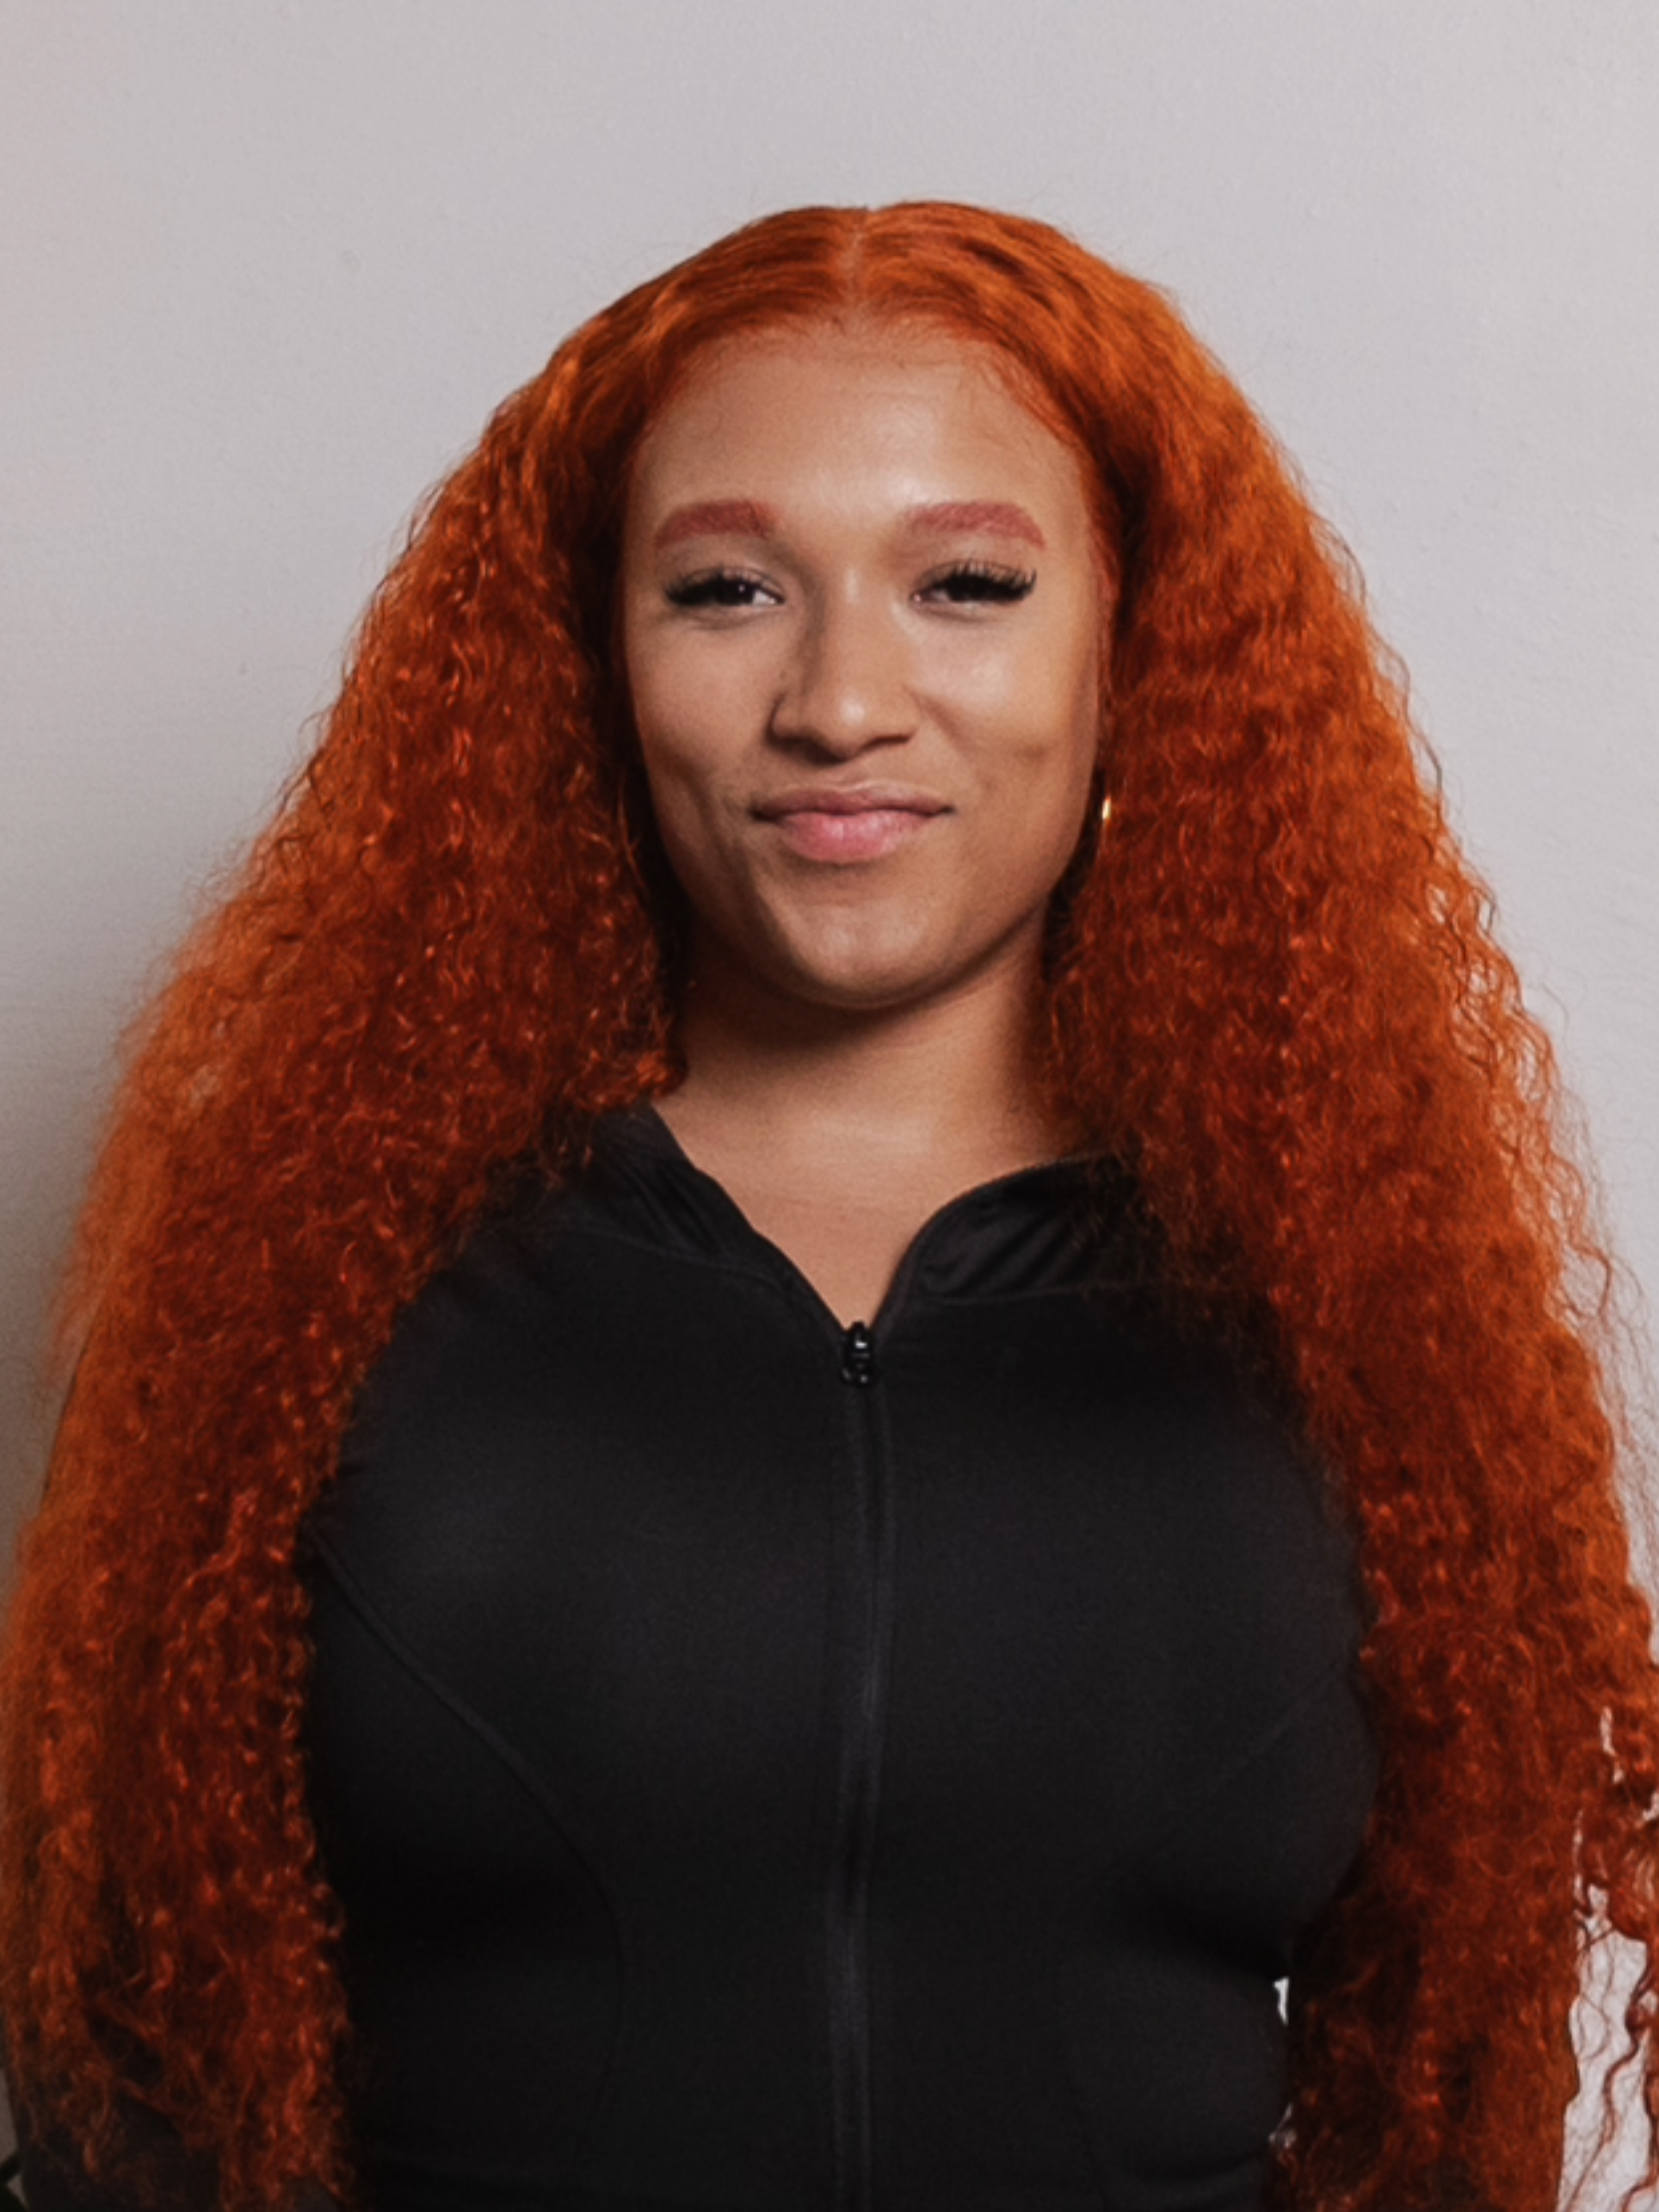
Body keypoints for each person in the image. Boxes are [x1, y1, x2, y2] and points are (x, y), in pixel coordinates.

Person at [1, 200, 1654, 2212]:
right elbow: (121, 2096)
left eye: (966, 583)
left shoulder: (1358, 1310)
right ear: (593, 669)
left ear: (1133, 652)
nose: (842, 700)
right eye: (726, 589)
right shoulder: (315, 1292)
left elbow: (1453, 2121)